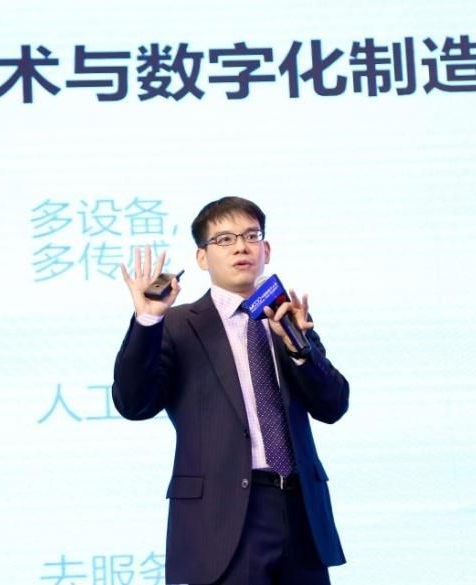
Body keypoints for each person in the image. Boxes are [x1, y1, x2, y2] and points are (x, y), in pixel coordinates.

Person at [113, 197, 350, 585]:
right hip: (223, 520)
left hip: (301, 514)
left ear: (266, 250)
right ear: (202, 257)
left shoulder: (286, 318)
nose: (241, 247)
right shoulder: (177, 325)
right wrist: (147, 320)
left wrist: (299, 348)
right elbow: (133, 403)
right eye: (224, 239)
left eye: (251, 236)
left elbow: (333, 405)